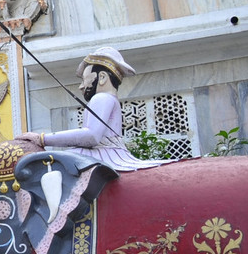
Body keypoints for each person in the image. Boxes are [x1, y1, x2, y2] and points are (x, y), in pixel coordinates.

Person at [18, 46, 163, 172]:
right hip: (106, 152)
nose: (81, 86)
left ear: (102, 77)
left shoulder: (101, 98)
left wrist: (42, 139)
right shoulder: (109, 99)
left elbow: (92, 136)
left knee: (53, 169)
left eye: (85, 79)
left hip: (105, 154)